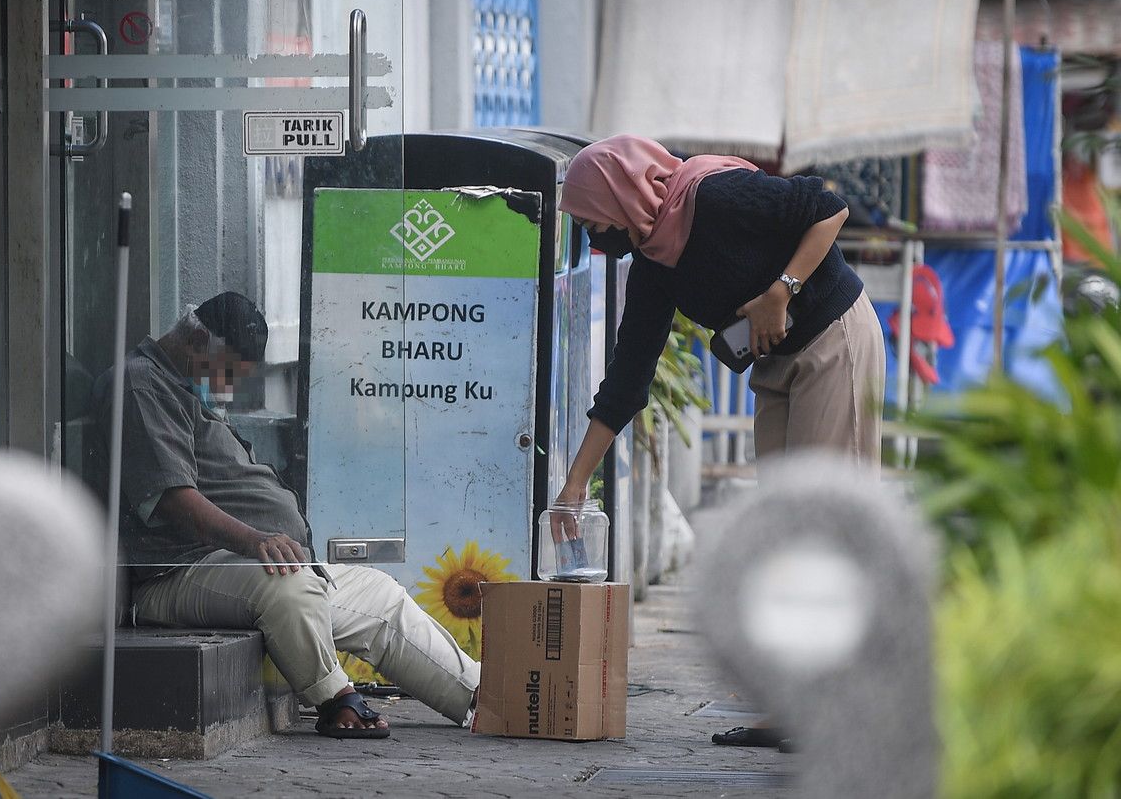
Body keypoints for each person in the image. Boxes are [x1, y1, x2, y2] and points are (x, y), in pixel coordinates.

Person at [553, 135, 886, 752]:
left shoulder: (716, 195)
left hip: (834, 342)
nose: (592, 236)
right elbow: (628, 379)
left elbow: (827, 207)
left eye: (591, 218)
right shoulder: (655, 258)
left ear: (618, 194)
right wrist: (573, 488)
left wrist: (781, 290)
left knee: (824, 527)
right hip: (778, 364)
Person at [95, 292, 479, 739]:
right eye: (224, 374)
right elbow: (173, 500)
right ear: (198, 339)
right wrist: (253, 540)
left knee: (381, 595)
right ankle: (334, 700)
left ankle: (481, 697)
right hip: (174, 572)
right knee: (288, 585)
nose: (225, 390)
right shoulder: (142, 384)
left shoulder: (180, 382)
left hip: (229, 563)